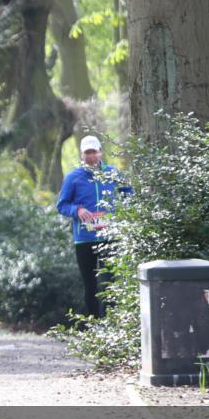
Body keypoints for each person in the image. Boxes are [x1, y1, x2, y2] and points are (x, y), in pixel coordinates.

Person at [56, 135, 130, 319]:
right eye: (87, 153)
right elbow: (62, 205)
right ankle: (94, 326)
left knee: (110, 284)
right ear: (82, 155)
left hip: (110, 237)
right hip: (84, 239)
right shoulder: (73, 177)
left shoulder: (112, 173)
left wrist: (115, 214)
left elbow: (130, 195)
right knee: (90, 285)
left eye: (94, 152)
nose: (91, 156)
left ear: (100, 152)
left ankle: (111, 326)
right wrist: (78, 210)